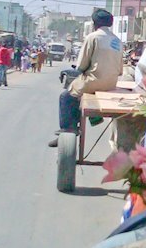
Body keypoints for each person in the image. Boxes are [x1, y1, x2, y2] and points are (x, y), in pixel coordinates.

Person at [49, 9, 122, 147]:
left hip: (93, 82)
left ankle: (68, 130)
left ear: (95, 23)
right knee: (79, 90)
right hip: (111, 83)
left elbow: (81, 65)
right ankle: (94, 118)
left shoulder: (92, 37)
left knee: (66, 97)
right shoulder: (118, 41)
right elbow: (120, 70)